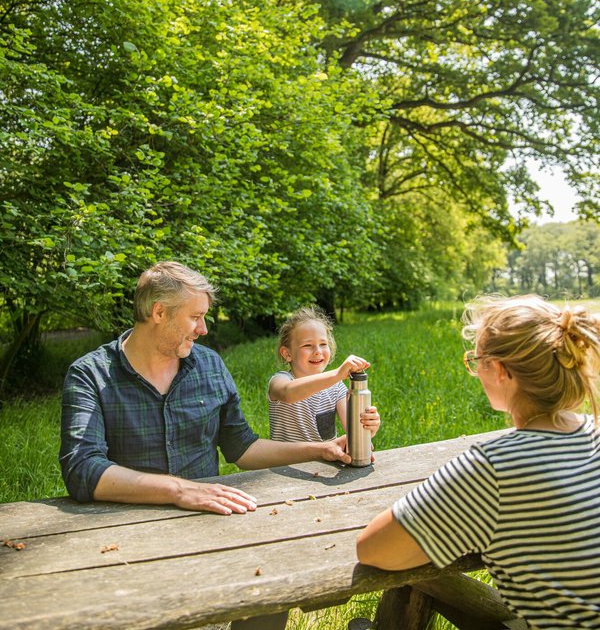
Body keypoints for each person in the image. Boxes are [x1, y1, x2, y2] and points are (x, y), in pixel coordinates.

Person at [60, 262, 352, 630]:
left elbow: (242, 448)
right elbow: (82, 469)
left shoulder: (210, 366)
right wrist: (179, 490)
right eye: (196, 317)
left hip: (208, 523)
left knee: (276, 580)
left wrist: (320, 449)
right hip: (126, 537)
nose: (204, 328)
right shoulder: (91, 374)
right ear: (159, 312)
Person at [357, 294, 600, 630]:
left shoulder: (494, 468)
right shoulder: (594, 432)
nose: (474, 370)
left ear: (499, 370)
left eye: (476, 360)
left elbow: (373, 549)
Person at [268, 305, 380, 445]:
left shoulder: (336, 388)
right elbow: (288, 393)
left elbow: (355, 432)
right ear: (287, 354)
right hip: (286, 465)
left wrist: (369, 426)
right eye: (308, 345)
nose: (317, 351)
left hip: (326, 462)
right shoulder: (280, 380)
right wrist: (337, 374)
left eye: (323, 344)